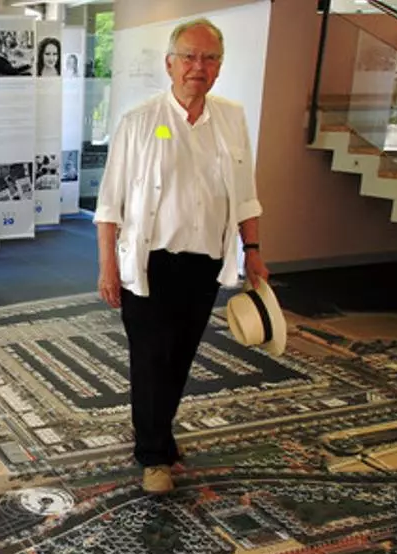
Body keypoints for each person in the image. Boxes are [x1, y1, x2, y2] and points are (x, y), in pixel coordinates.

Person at [94, 18, 267, 495]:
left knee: (179, 357)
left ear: (219, 68)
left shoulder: (231, 119)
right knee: (150, 358)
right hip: (150, 264)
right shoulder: (139, 122)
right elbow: (109, 205)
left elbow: (246, 195)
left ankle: (160, 434)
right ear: (170, 64)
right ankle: (153, 456)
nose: (198, 67)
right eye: (189, 56)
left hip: (204, 262)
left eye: (209, 58)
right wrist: (108, 266)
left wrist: (253, 252)